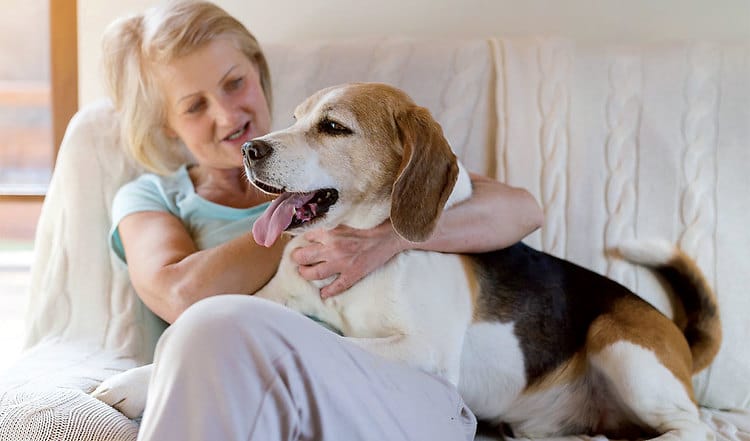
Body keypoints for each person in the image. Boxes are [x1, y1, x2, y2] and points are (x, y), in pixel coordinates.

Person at [102, 1, 544, 440]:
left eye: (234, 83)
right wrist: (307, 222)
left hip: (387, 393)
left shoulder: (352, 183)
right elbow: (182, 295)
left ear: (259, 72)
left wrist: (387, 236)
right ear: (166, 125)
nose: (227, 114)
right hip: (247, 377)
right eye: (194, 106)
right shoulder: (152, 196)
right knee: (209, 329)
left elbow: (520, 208)